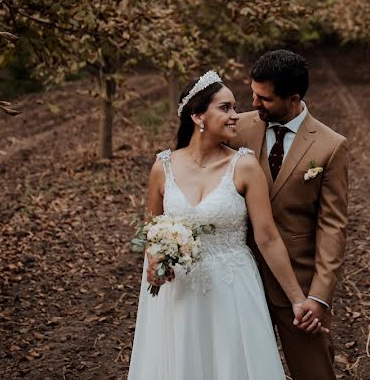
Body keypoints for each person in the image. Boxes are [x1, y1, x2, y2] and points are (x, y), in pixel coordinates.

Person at [127, 71, 321, 379]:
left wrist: (298, 299)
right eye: (226, 108)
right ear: (197, 115)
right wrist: (153, 263)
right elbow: (152, 231)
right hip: (180, 293)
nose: (236, 116)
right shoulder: (162, 168)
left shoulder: (244, 166)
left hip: (233, 290)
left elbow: (268, 238)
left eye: (234, 108)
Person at [232, 50, 350, 380]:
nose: (253, 103)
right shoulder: (236, 128)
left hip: (298, 288)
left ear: (293, 98)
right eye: (253, 93)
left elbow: (333, 226)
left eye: (264, 98)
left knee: (314, 373)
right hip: (239, 281)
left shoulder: (330, 146)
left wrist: (318, 297)